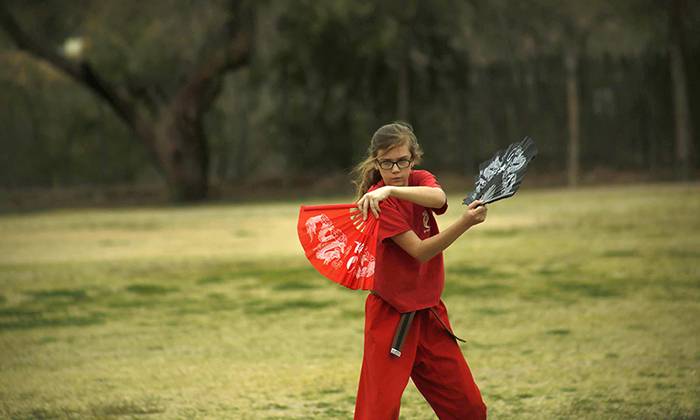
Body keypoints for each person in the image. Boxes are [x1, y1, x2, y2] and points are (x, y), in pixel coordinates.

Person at [351, 122, 488, 420]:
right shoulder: (378, 204)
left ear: (413, 159)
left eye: (402, 161)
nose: (396, 169)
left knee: (469, 409)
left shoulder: (418, 180)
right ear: (376, 162)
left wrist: (391, 189)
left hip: (429, 314)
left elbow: (439, 199)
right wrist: (467, 222)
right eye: (386, 163)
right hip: (391, 316)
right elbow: (421, 251)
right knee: (378, 414)